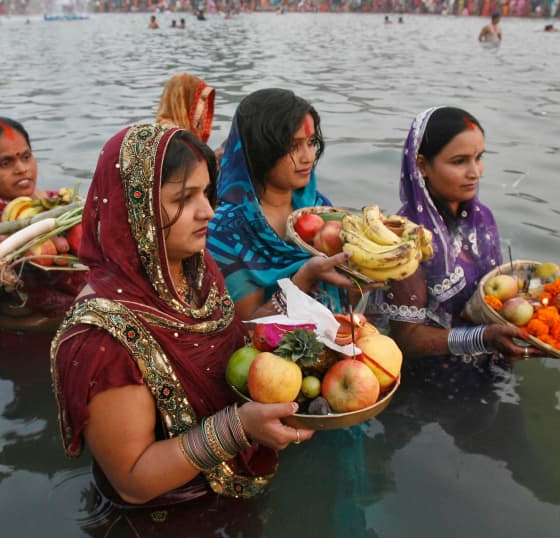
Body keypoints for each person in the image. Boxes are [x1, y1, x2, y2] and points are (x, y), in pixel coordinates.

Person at [52, 123, 311, 510]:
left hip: (230, 494)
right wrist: (238, 427)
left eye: (206, 193)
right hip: (164, 523)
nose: (208, 211)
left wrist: (303, 283)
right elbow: (133, 481)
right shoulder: (102, 337)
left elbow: (236, 346)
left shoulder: (193, 268)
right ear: (135, 210)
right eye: (183, 198)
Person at [369, 107, 541, 393]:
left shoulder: (481, 218)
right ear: (422, 165)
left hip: (489, 363)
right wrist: (482, 338)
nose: (475, 172)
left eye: (479, 158)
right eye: (459, 161)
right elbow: (405, 340)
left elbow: (492, 297)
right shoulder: (405, 241)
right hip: (429, 385)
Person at [207, 88, 354, 320]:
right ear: (260, 150)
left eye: (312, 142)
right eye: (294, 146)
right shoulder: (225, 229)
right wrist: (304, 277)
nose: (308, 157)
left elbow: (345, 299)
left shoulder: (318, 208)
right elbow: (249, 328)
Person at [0, 116, 86, 367]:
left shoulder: (58, 205)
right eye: (5, 162)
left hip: (68, 332)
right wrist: (2, 263)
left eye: (26, 156)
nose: (22, 169)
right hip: (10, 350)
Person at [155, 72, 215, 145]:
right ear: (183, 100)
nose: (204, 108)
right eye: (201, 100)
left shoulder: (158, 130)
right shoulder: (177, 137)